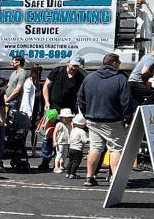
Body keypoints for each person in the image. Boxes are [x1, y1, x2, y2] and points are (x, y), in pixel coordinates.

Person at [76, 52, 134, 186]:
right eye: (118, 63)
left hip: (93, 119)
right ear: (114, 64)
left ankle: (89, 177)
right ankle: (115, 179)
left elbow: (81, 99)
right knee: (116, 149)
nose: (119, 65)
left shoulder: (89, 78)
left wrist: (86, 114)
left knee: (95, 148)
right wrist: (128, 121)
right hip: (113, 120)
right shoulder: (121, 79)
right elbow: (126, 102)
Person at [40, 55, 86, 170]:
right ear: (68, 62)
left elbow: (79, 95)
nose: (74, 68)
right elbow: (46, 86)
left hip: (69, 112)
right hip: (53, 109)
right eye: (73, 65)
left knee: (68, 136)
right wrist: (46, 102)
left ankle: (64, 160)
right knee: (48, 134)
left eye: (77, 66)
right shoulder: (57, 71)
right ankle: (45, 159)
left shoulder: (80, 77)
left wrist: (79, 111)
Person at [65, 114, 88, 179]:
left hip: (71, 147)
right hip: (78, 149)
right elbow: (85, 141)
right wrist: (91, 140)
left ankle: (68, 173)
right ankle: (73, 174)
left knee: (70, 161)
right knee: (76, 162)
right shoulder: (82, 131)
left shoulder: (73, 130)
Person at [52, 108, 73, 173]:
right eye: (65, 117)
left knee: (64, 155)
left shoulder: (69, 125)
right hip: (60, 142)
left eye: (69, 117)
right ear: (61, 118)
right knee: (59, 154)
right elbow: (55, 133)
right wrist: (55, 141)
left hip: (66, 142)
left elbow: (71, 132)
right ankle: (56, 167)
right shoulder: (59, 124)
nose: (67, 119)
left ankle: (62, 166)